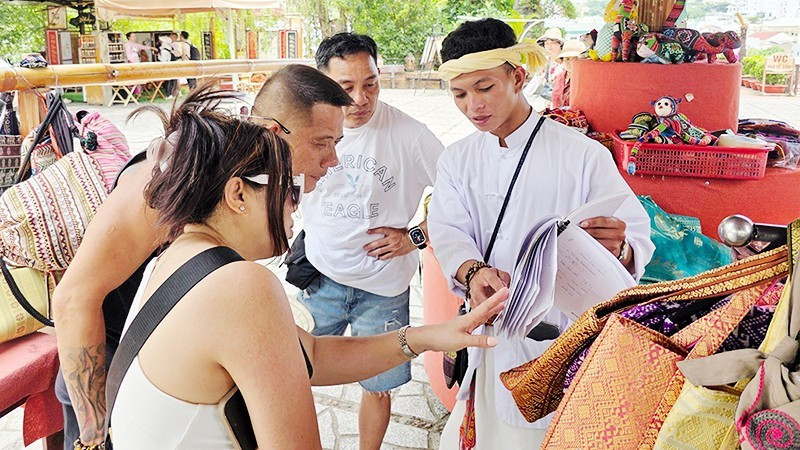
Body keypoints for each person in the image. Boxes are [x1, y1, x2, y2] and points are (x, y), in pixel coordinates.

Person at [106, 85, 506, 448]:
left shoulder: (179, 250)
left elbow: (311, 354)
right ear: (237, 194)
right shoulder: (242, 285)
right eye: (290, 188)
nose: (297, 205)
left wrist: (428, 337)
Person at [52, 65, 348, 450]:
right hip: (110, 378)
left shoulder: (243, 182)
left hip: (175, 376)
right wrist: (93, 433)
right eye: (322, 143)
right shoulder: (174, 176)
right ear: (276, 134)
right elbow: (74, 299)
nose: (334, 159)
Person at [428, 18, 655, 448]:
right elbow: (448, 228)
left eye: (484, 87)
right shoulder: (456, 160)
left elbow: (634, 235)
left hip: (557, 344)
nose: (473, 105)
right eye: (459, 94)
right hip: (488, 337)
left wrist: (620, 246)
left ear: (517, 76)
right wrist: (473, 272)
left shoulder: (582, 154)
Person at [298, 32, 445, 450]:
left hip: (383, 290)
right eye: (345, 88)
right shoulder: (306, 128)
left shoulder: (412, 136)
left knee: (378, 387)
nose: (360, 99)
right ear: (322, 83)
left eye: (371, 83)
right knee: (290, 373)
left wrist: (415, 236)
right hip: (320, 278)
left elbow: (462, 202)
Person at [551, 40, 586, 109]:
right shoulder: (559, 77)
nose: (570, 62)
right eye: (566, 59)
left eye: (574, 59)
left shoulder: (585, 79)